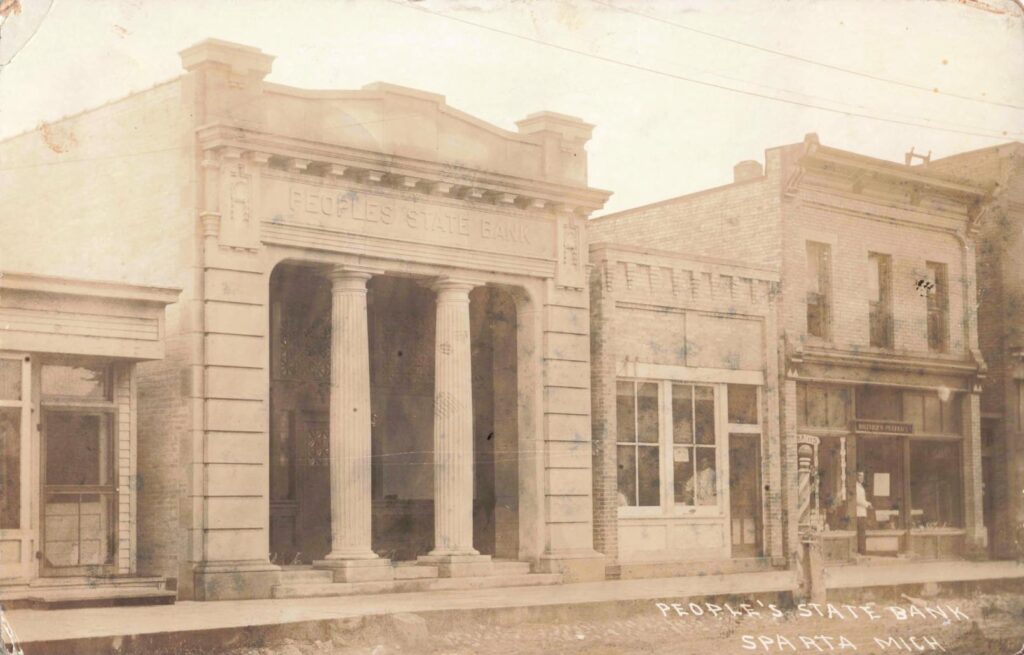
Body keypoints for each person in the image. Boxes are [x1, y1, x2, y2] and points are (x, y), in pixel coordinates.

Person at [856, 471, 872, 555]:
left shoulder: (861, 487)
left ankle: (862, 550)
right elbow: (858, 500)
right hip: (858, 513)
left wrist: (868, 503)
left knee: (862, 532)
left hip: (862, 512)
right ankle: (861, 551)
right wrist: (867, 504)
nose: (861, 478)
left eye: (862, 476)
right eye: (860, 476)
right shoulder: (856, 487)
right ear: (857, 477)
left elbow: (862, 499)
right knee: (861, 532)